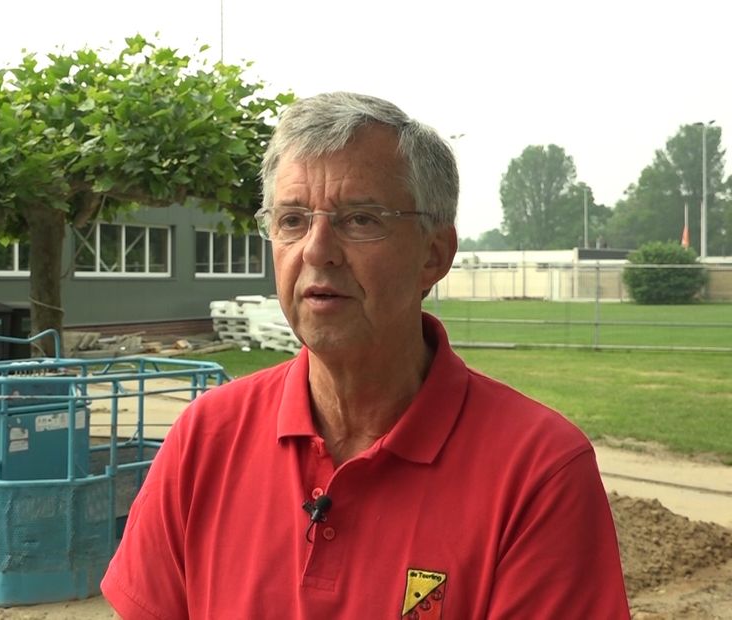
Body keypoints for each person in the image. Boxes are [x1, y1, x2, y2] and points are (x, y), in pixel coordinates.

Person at [101, 92, 629, 619]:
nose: (315, 249)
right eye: (291, 220)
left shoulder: (538, 473)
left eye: (359, 219)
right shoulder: (205, 441)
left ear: (435, 254)